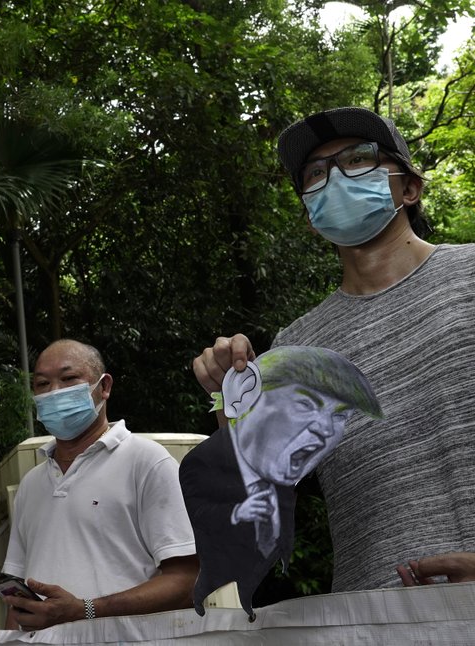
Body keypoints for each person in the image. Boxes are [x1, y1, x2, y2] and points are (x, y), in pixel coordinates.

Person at [192, 106, 475, 593]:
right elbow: (257, 507)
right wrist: (229, 398)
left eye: (359, 159)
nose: (335, 178)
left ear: (409, 188)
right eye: (316, 173)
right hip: (374, 618)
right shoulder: (295, 348)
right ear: (310, 217)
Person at [1, 339, 198, 630]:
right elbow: (17, 596)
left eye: (68, 379)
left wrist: (85, 610)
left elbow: (188, 581)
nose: (54, 392)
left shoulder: (146, 461)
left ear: (104, 387)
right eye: (42, 384)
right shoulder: (31, 484)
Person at [180, 346, 382, 619]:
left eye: (339, 415)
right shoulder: (200, 467)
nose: (324, 428)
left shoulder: (288, 487)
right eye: (305, 404)